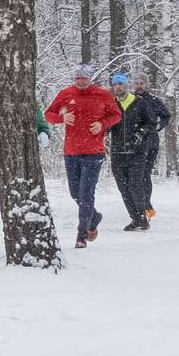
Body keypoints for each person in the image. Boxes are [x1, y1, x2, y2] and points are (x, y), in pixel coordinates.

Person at [45, 63, 123, 247]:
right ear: (74, 79)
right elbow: (48, 114)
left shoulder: (102, 94)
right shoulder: (66, 94)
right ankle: (94, 217)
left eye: (84, 78)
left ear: (90, 79)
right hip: (71, 150)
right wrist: (61, 118)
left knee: (86, 193)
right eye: (78, 78)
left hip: (94, 151)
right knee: (75, 193)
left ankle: (82, 234)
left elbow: (116, 115)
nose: (80, 81)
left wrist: (102, 124)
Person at [105, 70, 169, 232]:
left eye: (121, 83)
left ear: (127, 85)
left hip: (138, 152)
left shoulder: (139, 102)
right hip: (118, 152)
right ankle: (135, 218)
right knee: (123, 187)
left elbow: (152, 122)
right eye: (115, 84)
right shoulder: (112, 104)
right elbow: (106, 124)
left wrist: (141, 133)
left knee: (135, 184)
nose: (118, 87)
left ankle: (143, 217)